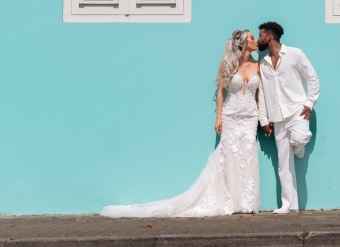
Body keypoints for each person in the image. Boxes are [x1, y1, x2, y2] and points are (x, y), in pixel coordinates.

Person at [101, 30, 268, 218]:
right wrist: (218, 118)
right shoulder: (227, 65)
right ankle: (229, 199)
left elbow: (258, 96)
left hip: (249, 117)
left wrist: (263, 119)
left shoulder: (258, 66)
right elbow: (221, 92)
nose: (256, 41)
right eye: (252, 38)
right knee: (230, 154)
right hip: (231, 116)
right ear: (242, 43)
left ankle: (245, 201)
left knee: (247, 154)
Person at [256, 21, 320, 214]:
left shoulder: (295, 54)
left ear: (269, 37)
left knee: (299, 138)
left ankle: (298, 146)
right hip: (277, 118)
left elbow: (313, 78)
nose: (258, 39)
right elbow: (263, 94)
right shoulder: (263, 63)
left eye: (260, 35)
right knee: (283, 163)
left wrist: (309, 103)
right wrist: (264, 120)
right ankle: (288, 204)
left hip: (297, 111)